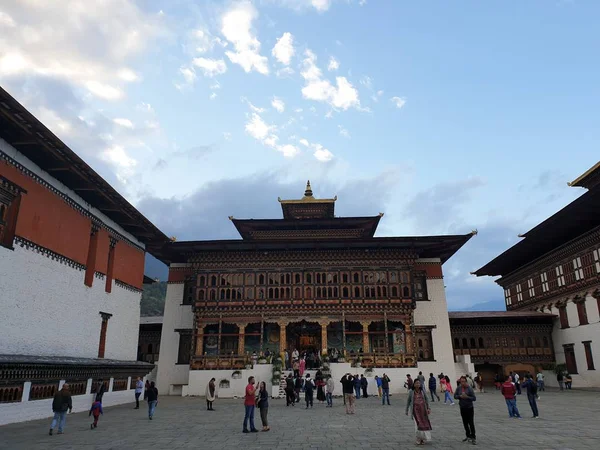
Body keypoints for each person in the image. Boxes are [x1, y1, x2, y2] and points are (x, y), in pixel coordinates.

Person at [405, 379, 432, 445]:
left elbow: (427, 399)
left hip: (423, 411)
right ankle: (418, 438)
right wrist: (406, 410)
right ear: (414, 384)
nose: (418, 384)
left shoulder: (422, 391)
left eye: (419, 383)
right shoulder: (411, 391)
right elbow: (408, 401)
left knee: (423, 424)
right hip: (415, 411)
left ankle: (422, 439)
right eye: (416, 383)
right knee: (417, 425)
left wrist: (428, 408)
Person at [454, 376, 477, 445]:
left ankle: (473, 437)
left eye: (464, 381)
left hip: (469, 408)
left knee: (471, 422)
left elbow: (474, 398)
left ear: (466, 381)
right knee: (465, 423)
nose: (462, 383)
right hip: (462, 407)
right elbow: (455, 396)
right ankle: (468, 435)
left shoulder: (469, 389)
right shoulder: (459, 388)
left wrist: (467, 397)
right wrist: (459, 396)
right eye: (461, 381)